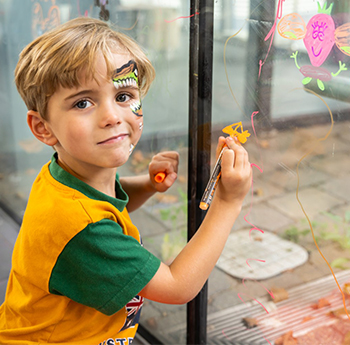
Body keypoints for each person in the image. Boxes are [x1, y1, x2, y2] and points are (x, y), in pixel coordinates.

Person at [0, 17, 252, 345]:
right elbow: (177, 286)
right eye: (83, 102)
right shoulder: (81, 226)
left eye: (123, 96)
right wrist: (228, 202)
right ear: (43, 127)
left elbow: (102, 205)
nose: (112, 116)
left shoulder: (63, 177)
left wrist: (147, 185)